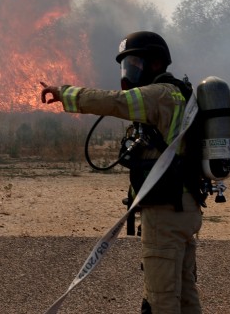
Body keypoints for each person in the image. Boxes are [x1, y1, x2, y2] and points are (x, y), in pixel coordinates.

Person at [40, 31, 203, 314]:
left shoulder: (159, 95)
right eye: (128, 66)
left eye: (135, 64)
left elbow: (116, 101)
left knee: (161, 300)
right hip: (185, 207)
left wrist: (64, 93)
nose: (130, 73)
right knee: (186, 295)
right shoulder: (180, 94)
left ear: (155, 63)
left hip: (165, 211)